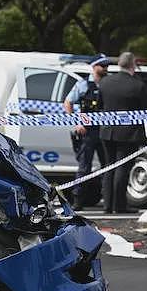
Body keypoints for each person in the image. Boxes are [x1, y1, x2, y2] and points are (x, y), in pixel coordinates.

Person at [98, 51, 147, 214]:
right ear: (133, 65)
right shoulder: (137, 85)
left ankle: (107, 205)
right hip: (129, 134)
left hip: (107, 131)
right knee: (122, 168)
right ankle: (119, 205)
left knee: (109, 168)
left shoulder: (105, 82)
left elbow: (100, 105)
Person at [63, 53, 111, 210]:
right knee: (84, 167)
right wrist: (76, 123)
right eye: (102, 65)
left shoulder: (108, 83)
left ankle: (108, 201)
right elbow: (68, 102)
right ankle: (78, 200)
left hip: (105, 131)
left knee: (107, 166)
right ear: (94, 67)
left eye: (106, 65)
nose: (105, 68)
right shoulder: (83, 84)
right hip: (88, 132)